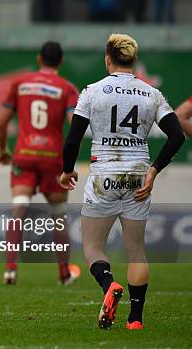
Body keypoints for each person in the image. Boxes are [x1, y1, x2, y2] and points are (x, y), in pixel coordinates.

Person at [60, 33, 184, 330]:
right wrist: (154, 171)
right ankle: (136, 320)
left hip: (104, 172)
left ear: (107, 58)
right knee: (136, 251)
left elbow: (73, 138)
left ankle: (108, 286)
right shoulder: (151, 93)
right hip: (138, 174)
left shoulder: (91, 91)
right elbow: (177, 136)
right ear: (134, 59)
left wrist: (67, 170)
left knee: (92, 247)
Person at [0, 41, 80, 286]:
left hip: (24, 154)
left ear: (38, 58)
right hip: (53, 159)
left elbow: (1, 123)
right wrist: (69, 162)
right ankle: (64, 273)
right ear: (61, 61)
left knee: (19, 209)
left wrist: (3, 150)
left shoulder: (20, 83)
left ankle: (10, 270)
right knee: (58, 215)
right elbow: (74, 125)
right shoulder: (67, 88)